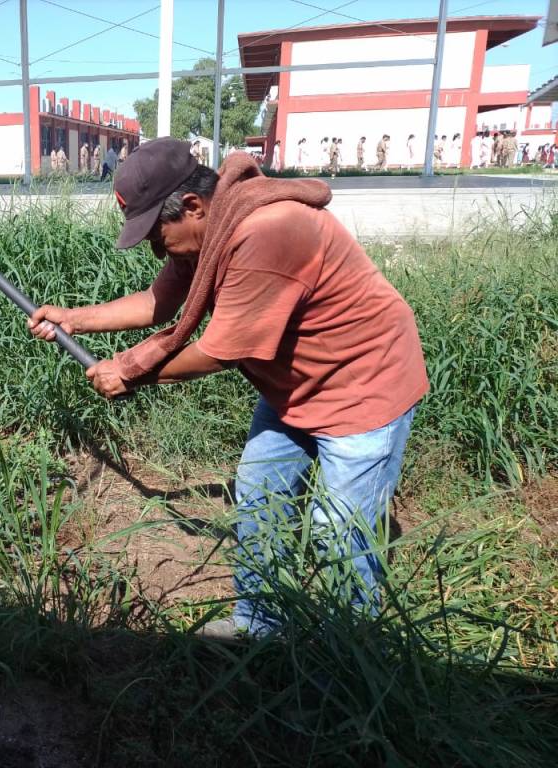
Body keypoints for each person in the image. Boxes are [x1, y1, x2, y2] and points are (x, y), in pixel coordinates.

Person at [27, 139, 428, 640]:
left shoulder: (267, 231)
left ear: (192, 206)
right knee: (260, 498)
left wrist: (128, 370)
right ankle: (260, 625)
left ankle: (352, 651)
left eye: (156, 235)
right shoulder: (210, 228)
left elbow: (221, 351)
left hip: (363, 385)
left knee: (339, 529)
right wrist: (74, 319)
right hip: (293, 387)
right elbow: (158, 301)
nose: (156, 250)